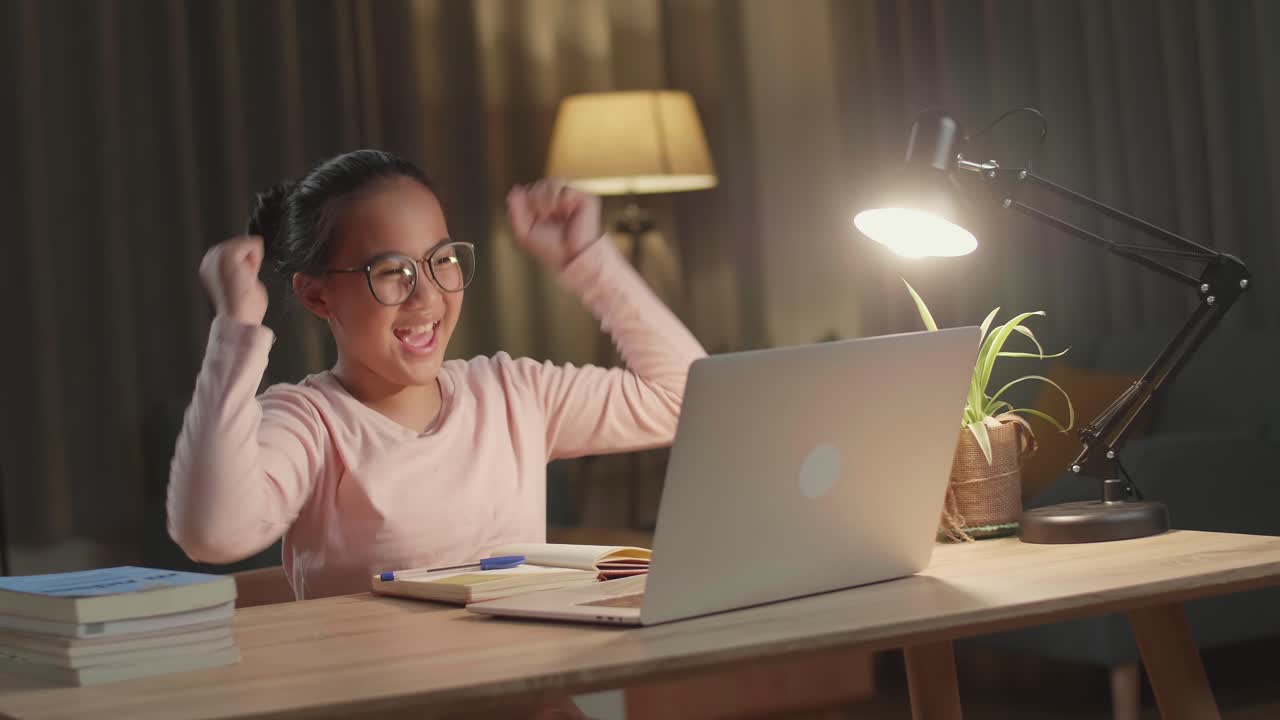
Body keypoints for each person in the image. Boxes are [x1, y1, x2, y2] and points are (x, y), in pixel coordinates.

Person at [167, 149, 706, 602]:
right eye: (391, 272)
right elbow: (212, 534)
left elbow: (686, 396)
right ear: (317, 293)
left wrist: (587, 259)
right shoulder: (310, 424)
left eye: (442, 260)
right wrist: (234, 334)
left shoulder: (512, 394)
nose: (427, 296)